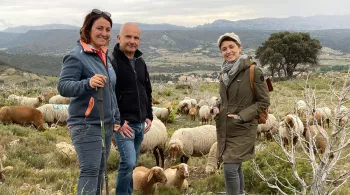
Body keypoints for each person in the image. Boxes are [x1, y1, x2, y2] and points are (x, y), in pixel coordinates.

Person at [57, 9, 120, 195]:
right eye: (99, 28)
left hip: (105, 125)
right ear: (88, 29)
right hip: (86, 124)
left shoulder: (103, 55)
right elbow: (63, 86)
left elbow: (111, 89)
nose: (104, 33)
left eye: (108, 29)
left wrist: (115, 117)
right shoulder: (77, 55)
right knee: (90, 171)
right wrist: (88, 83)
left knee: (100, 172)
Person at [213, 32, 270, 195]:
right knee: (235, 165)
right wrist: (217, 107)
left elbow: (264, 101)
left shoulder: (253, 71)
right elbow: (225, 100)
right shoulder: (224, 73)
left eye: (231, 47)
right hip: (226, 128)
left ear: (239, 48)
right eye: (224, 49)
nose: (228, 51)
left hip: (243, 127)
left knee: (229, 167)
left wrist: (242, 116)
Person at [110, 22, 153, 195]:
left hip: (139, 123)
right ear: (119, 38)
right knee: (127, 163)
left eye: (136, 37)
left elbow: (146, 90)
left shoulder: (140, 62)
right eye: (128, 36)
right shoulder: (112, 62)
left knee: (132, 164)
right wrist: (119, 121)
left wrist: (149, 115)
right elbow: (109, 95)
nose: (132, 41)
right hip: (123, 125)